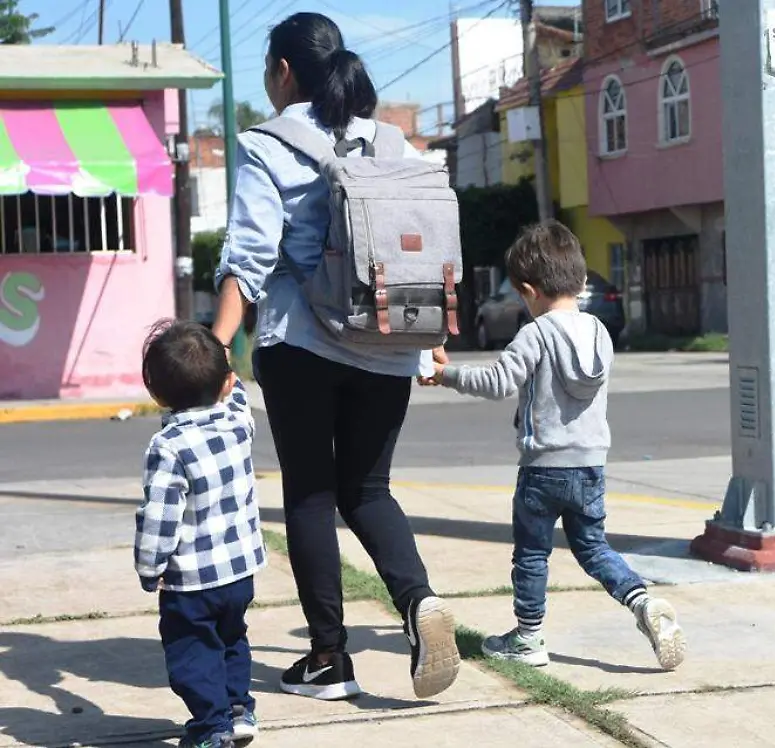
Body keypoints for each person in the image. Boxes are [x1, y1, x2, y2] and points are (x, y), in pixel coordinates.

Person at [210, 12, 460, 702]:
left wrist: (217, 346)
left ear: (283, 72)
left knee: (311, 494)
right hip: (388, 343)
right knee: (370, 491)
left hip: (302, 342)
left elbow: (249, 255)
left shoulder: (268, 144)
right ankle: (418, 600)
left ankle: (329, 658)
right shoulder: (394, 142)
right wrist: (430, 338)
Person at [427, 221, 687, 671]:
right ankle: (642, 601)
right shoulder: (600, 332)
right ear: (581, 281)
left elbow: (497, 382)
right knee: (594, 548)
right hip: (590, 467)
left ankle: (528, 638)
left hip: (543, 468)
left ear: (529, 291)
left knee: (532, 554)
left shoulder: (536, 333)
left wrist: (445, 374)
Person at [136, 320, 266, 748]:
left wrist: (149, 567)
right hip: (240, 571)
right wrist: (224, 362)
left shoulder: (168, 447)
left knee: (192, 651)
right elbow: (237, 393)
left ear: (155, 394)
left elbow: (159, 518)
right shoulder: (238, 423)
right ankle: (238, 709)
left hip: (191, 581)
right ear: (227, 382)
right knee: (232, 638)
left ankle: (212, 728)